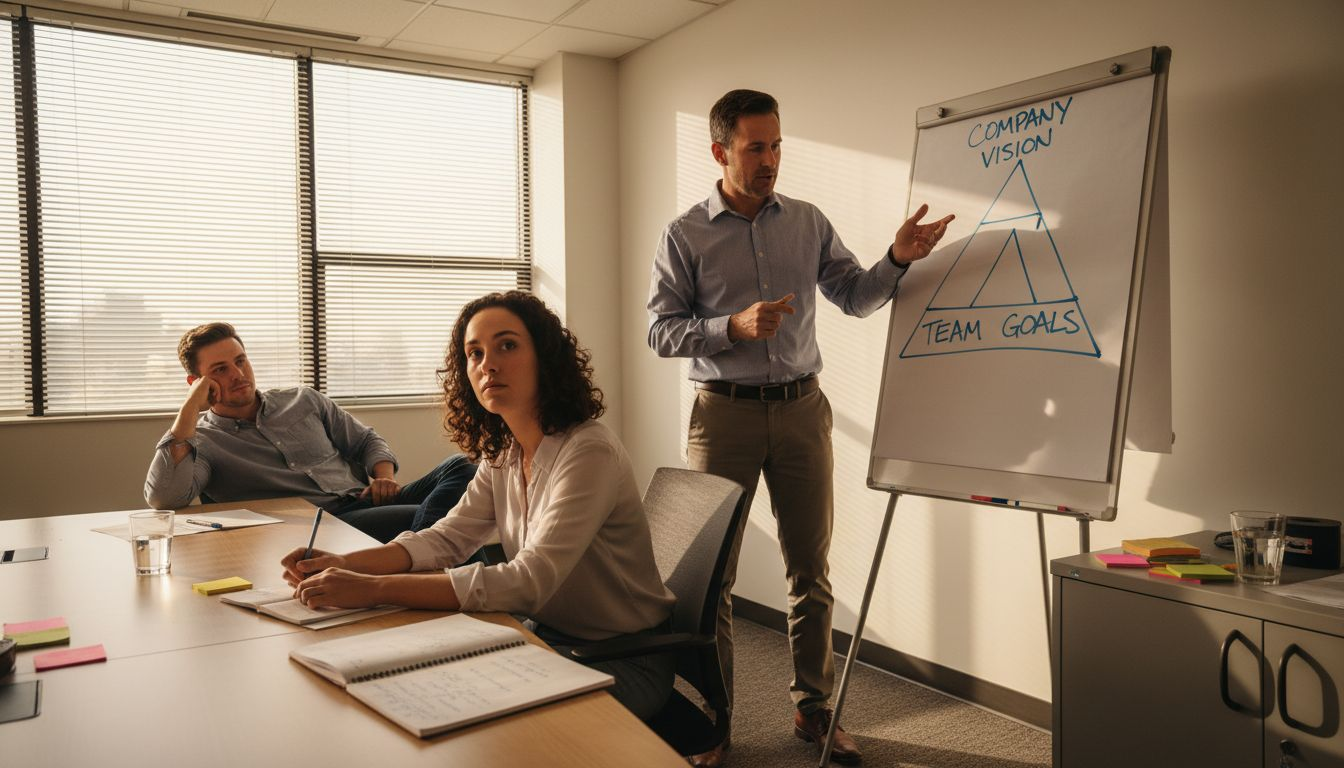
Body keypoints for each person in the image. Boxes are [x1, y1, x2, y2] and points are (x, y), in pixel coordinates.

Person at [646, 88, 955, 765]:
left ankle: (814, 710)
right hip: (721, 415)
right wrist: (730, 327)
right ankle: (716, 722)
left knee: (810, 572)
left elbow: (857, 297)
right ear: (720, 151)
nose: (770, 160)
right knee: (712, 580)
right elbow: (660, 331)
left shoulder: (808, 222)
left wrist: (897, 257)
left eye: (777, 145)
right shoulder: (684, 233)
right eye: (756, 147)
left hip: (801, 412)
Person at [280, 291, 677, 720]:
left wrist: (372, 589)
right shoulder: (506, 451)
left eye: (507, 345)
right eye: (475, 353)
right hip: (546, 636)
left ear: (545, 357)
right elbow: (447, 539)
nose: (488, 364)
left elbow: (527, 582)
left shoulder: (588, 452)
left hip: (622, 658)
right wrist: (346, 563)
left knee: (463, 716)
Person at [144, 322, 476, 543]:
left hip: (364, 499)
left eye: (241, 361)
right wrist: (190, 407)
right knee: (450, 523)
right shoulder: (203, 441)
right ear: (196, 383)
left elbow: (366, 441)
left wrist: (383, 478)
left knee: (462, 467)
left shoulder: (303, 399)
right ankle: (429, 553)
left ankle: (420, 553)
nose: (238, 374)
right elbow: (165, 498)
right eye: (220, 369)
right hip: (321, 526)